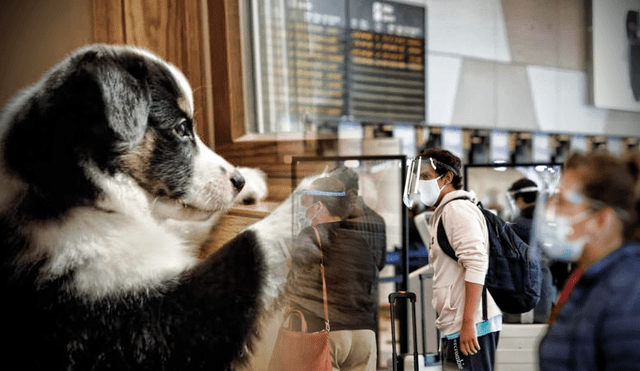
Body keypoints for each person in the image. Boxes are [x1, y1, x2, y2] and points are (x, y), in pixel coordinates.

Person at [536, 151, 640, 370]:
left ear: (602, 219)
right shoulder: (590, 279)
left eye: (562, 202)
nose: (550, 212)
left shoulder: (629, 293)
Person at [410, 147, 502, 371]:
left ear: (447, 177)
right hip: (458, 322)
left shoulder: (457, 210)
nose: (420, 184)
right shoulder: (445, 211)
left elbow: (476, 264)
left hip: (471, 323)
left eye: (426, 177)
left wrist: (468, 322)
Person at [286, 176, 379, 371]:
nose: (305, 207)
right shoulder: (361, 240)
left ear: (319, 206)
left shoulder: (310, 235)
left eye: (307, 201)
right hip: (365, 335)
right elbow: (370, 285)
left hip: (328, 335)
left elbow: (294, 287)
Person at [506, 178, 554, 324]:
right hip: (545, 288)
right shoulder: (546, 221)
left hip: (521, 292)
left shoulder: (516, 226)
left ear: (520, 199)